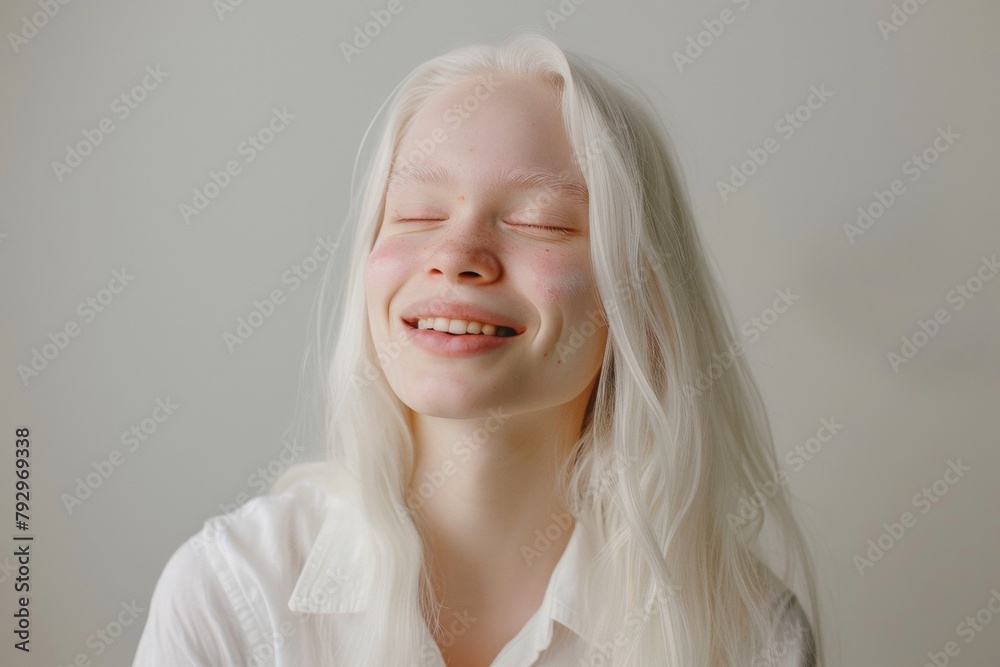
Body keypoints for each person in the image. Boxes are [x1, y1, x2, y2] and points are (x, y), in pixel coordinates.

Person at [133, 30, 822, 666]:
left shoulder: (749, 637)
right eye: (418, 214)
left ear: (636, 296)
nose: (456, 254)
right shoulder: (230, 596)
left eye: (539, 221)